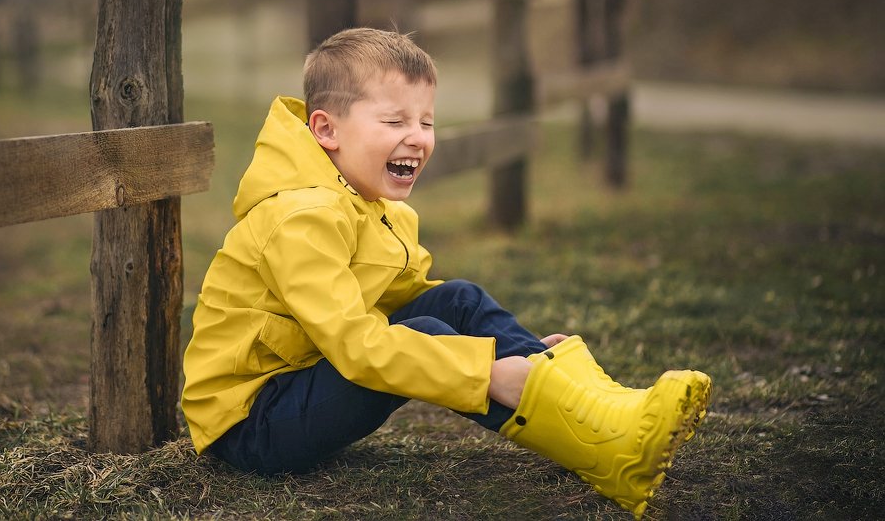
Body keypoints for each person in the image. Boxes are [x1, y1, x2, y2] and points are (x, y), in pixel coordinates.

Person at [181, 28, 711, 518]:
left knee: (457, 300)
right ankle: (603, 444)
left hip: (305, 374)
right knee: (428, 335)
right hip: (253, 423)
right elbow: (357, 346)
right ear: (326, 130)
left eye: (426, 121)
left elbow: (406, 298)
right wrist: (486, 372)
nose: (417, 137)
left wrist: (516, 352)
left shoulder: (366, 203)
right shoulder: (301, 218)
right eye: (394, 121)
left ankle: (597, 407)